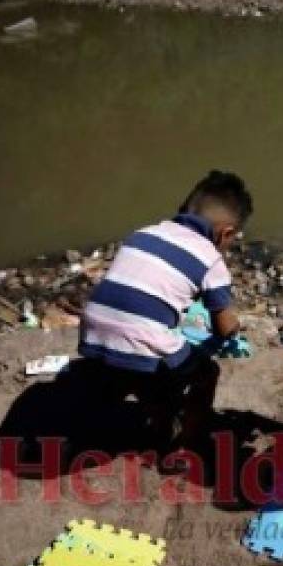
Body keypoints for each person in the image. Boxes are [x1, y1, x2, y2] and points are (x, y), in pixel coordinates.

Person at [78, 170, 252, 447]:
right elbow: (224, 325)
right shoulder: (210, 261)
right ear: (225, 233)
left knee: (139, 365)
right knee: (205, 374)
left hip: (92, 333)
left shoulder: (143, 234)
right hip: (139, 339)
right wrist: (235, 328)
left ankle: (123, 392)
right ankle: (184, 444)